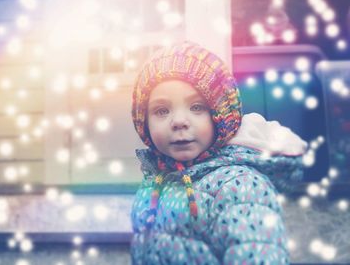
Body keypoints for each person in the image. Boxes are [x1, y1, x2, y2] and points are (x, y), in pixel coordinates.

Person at [130, 41, 307, 264]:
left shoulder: (240, 188)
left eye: (196, 107)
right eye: (161, 110)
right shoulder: (157, 178)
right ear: (143, 122)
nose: (179, 122)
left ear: (220, 117)